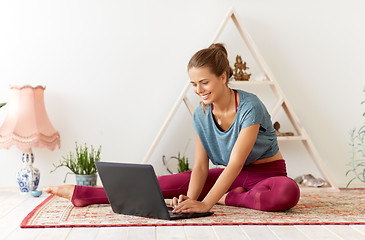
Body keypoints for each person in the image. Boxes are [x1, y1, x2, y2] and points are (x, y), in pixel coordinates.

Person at [45, 43, 300, 213]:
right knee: (166, 184)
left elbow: (235, 164)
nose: (199, 90)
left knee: (288, 192)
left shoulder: (249, 106)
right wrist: (190, 199)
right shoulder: (201, 115)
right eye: (193, 84)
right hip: (228, 177)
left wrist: (207, 204)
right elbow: (201, 167)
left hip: (266, 175)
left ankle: (230, 198)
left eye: (204, 82)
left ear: (223, 77)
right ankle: (85, 193)